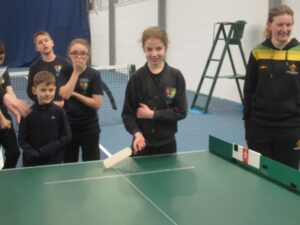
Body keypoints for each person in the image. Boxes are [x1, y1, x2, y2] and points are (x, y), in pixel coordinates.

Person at [243, 4, 300, 169]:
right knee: (260, 175)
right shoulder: (257, 52)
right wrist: (248, 123)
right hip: (259, 127)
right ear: (269, 25)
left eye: (288, 25)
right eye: (280, 24)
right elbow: (249, 90)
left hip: (291, 128)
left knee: (288, 177)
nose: (285, 29)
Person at [122, 26, 187, 156]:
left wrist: (152, 114)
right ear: (143, 49)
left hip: (167, 145)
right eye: (149, 49)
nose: (154, 54)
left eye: (159, 48)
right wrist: (137, 133)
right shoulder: (136, 78)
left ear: (166, 48)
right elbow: (128, 114)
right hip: (141, 145)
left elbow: (181, 111)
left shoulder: (176, 76)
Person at [58, 38, 103, 163]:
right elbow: (65, 95)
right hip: (68, 127)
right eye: (75, 53)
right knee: (69, 164)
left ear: (88, 56)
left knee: (92, 165)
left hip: (90, 128)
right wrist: (76, 72)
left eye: (83, 53)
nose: (79, 57)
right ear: (69, 54)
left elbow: (97, 104)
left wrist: (75, 94)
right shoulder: (65, 71)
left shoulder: (94, 74)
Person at [18, 71, 71, 167]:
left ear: (55, 90)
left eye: (51, 90)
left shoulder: (59, 112)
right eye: (43, 90)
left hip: (54, 162)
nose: (47, 94)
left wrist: (47, 150)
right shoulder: (27, 113)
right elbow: (22, 140)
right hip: (31, 163)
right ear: (34, 90)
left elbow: (66, 137)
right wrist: (32, 153)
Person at [0, 41, 30, 168]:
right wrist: (1, 119)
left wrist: (17, 112)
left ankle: (6, 176)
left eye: (1, 58)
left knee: (14, 152)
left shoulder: (3, 72)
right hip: (1, 118)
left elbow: (9, 93)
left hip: (4, 118)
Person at [27, 31, 70, 106]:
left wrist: (65, 102)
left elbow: (72, 85)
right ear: (37, 48)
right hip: (44, 108)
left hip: (64, 107)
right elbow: (30, 91)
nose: (44, 43)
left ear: (52, 43)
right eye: (40, 42)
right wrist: (48, 103)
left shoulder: (65, 63)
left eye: (46, 40)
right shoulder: (34, 67)